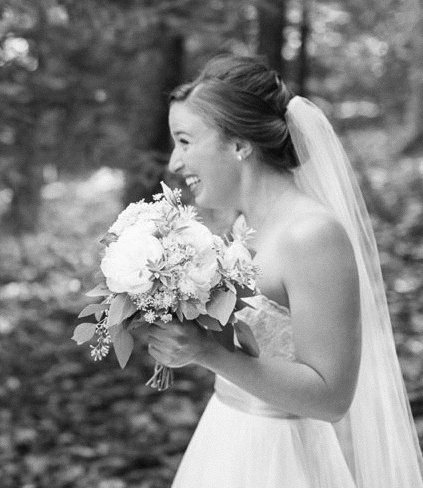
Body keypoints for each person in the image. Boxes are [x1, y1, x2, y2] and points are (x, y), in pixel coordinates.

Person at [146, 54, 423, 487]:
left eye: (184, 141)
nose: (175, 164)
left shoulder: (312, 236)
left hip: (285, 459)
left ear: (239, 145)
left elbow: (331, 397)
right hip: (226, 438)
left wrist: (208, 354)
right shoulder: (243, 227)